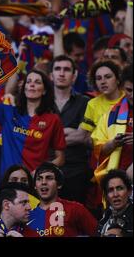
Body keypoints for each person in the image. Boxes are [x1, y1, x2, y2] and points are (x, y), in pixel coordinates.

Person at [0, 70, 66, 180]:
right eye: (28, 82)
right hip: (6, 184)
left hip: (33, 184)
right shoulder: (7, 112)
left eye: (37, 82)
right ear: (24, 88)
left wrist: (41, 171)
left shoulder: (53, 120)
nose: (32, 84)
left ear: (44, 91)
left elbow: (60, 158)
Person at [50, 55, 92, 203]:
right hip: (47, 170)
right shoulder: (42, 104)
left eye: (66, 69)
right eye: (57, 69)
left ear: (74, 76)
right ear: (51, 75)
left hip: (77, 171)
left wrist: (50, 136)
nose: (61, 73)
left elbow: (84, 137)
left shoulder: (86, 102)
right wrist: (69, 132)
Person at [25, 162, 97, 237]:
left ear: (59, 184)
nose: (43, 182)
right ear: (35, 186)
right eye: (39, 179)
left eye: (49, 178)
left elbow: (99, 233)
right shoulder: (26, 215)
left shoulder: (75, 209)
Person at [92, 64, 133, 176]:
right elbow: (100, 150)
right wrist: (114, 143)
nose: (132, 95)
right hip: (119, 180)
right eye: (129, 90)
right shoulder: (111, 115)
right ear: (122, 87)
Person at [98, 169, 133, 237]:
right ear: (106, 196)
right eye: (110, 190)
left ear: (129, 191)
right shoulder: (107, 214)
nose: (115, 194)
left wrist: (124, 234)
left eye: (119, 188)